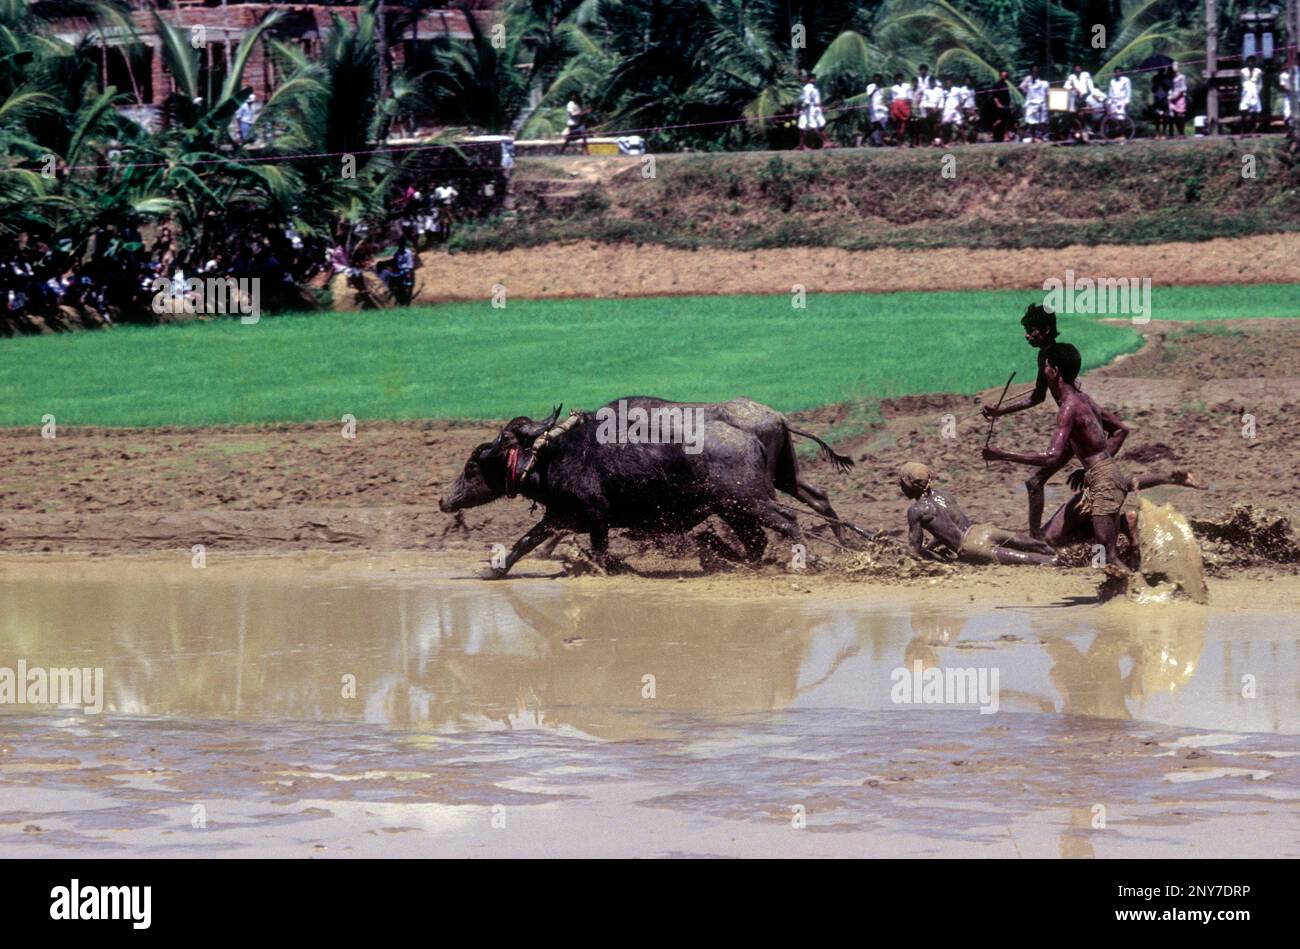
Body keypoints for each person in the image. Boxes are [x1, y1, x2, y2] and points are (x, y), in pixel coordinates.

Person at [983, 343, 1131, 570]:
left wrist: (1001, 454)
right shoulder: (1085, 399)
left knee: (1107, 556)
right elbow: (1121, 429)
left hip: (1104, 483)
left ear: (1054, 371)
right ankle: (1123, 524)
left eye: (1045, 366)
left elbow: (1052, 457)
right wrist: (1091, 467)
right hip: (1101, 479)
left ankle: (1138, 597)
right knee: (1054, 540)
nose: (1043, 371)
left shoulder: (1068, 408)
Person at [981, 304, 1074, 539]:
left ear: (1044, 330)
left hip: (1074, 422)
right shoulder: (1044, 355)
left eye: (1031, 330)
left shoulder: (1056, 356)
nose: (1026, 335)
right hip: (1072, 423)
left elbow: (1071, 392)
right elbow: (1038, 396)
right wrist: (1000, 411)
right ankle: (1038, 537)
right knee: (1035, 481)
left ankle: (1037, 540)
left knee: (1035, 479)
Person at [899, 462, 1057, 566]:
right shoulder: (943, 495)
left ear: (910, 485)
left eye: (902, 483)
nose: (901, 487)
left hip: (971, 546)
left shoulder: (916, 510)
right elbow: (948, 526)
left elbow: (914, 550)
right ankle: (1063, 554)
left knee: (1029, 560)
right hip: (982, 530)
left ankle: (1059, 562)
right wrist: (933, 545)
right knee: (1033, 544)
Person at [797, 73, 833, 150]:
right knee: (804, 127)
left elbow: (811, 101)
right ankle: (802, 145)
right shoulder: (810, 88)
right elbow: (808, 101)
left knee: (815, 126)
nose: (814, 80)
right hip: (810, 110)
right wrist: (802, 110)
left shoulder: (811, 88)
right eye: (813, 79)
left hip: (811, 110)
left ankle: (826, 142)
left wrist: (821, 107)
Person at [1019, 65, 1049, 141]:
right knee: (1031, 122)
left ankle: (1043, 136)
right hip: (1031, 104)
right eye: (1033, 71)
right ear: (1031, 72)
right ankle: (1033, 137)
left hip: (1041, 103)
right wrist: (1027, 93)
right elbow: (1021, 87)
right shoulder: (1028, 79)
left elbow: (1047, 93)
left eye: (1036, 71)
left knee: (1042, 121)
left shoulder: (1043, 82)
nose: (1034, 73)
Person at [989, 69, 1016, 141]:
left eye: (1005, 76)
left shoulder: (1006, 84)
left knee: (1006, 120)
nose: (1004, 77)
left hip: (1006, 105)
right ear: (1000, 75)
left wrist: (1010, 104)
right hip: (999, 106)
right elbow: (994, 96)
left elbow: (1008, 96)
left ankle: (1006, 136)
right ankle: (992, 132)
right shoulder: (996, 85)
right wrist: (998, 104)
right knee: (999, 121)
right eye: (1003, 75)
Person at [865, 73, 889, 146]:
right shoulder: (870, 86)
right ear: (874, 79)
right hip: (874, 108)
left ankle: (879, 140)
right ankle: (878, 141)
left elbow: (881, 98)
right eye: (876, 78)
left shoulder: (881, 88)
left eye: (879, 78)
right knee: (877, 126)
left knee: (883, 123)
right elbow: (869, 95)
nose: (877, 79)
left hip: (881, 108)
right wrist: (874, 90)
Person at [889, 73, 912, 146]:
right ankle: (899, 142)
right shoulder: (893, 88)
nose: (899, 80)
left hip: (905, 104)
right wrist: (891, 111)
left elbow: (909, 98)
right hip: (896, 105)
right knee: (898, 124)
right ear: (896, 80)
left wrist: (909, 108)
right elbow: (893, 100)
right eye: (898, 79)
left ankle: (904, 141)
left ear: (903, 79)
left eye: (900, 78)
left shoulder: (907, 86)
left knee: (904, 124)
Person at [941, 78, 965, 144]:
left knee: (960, 125)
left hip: (956, 109)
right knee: (946, 125)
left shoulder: (957, 89)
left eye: (949, 82)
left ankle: (965, 141)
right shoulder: (944, 91)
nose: (948, 84)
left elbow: (963, 98)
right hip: (947, 110)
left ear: (951, 83)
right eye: (947, 83)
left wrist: (960, 105)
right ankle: (948, 141)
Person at [1151, 65, 1172, 139]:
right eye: (1159, 69)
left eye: (1162, 69)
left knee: (1165, 116)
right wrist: (1157, 83)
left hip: (1164, 98)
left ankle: (1164, 132)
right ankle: (1157, 132)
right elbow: (1152, 89)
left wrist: (1163, 81)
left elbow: (1169, 87)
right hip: (1157, 98)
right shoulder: (1155, 78)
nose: (1161, 71)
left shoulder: (1167, 78)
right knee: (1157, 116)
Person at [1169, 62, 1188, 137]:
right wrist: (1171, 95)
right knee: (1174, 115)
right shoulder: (1170, 78)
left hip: (1180, 97)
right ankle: (1178, 132)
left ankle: (1182, 133)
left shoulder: (1182, 77)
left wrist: (1176, 96)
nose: (1174, 67)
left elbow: (1183, 88)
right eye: (1173, 66)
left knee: (1181, 115)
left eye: (1175, 66)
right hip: (1172, 97)